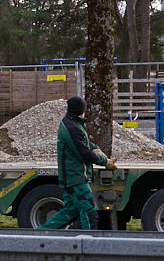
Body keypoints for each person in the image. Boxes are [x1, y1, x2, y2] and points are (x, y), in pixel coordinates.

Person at [38, 95, 117, 230]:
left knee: (70, 212)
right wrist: (105, 162)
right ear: (82, 110)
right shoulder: (72, 127)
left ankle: (39, 234)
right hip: (76, 179)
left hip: (72, 178)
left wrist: (95, 148)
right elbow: (83, 153)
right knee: (90, 215)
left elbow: (83, 144)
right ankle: (87, 245)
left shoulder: (72, 123)